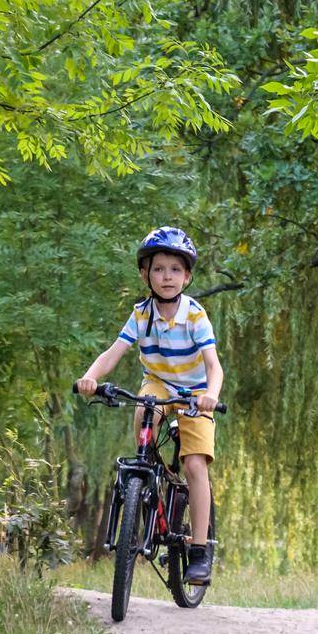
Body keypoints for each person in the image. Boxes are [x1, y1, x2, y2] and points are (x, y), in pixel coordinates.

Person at [75, 227, 224, 584]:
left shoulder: (194, 315)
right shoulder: (141, 314)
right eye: (159, 269)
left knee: (194, 464)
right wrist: (90, 378)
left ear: (187, 276)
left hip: (194, 391)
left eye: (175, 269)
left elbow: (213, 365)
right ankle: (146, 473)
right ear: (146, 274)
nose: (167, 277)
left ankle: (200, 551)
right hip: (157, 383)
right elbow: (113, 353)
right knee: (144, 411)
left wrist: (210, 396)